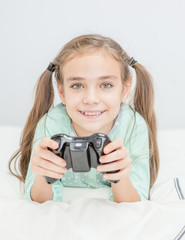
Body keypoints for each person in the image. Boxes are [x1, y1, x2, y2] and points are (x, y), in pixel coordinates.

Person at [9, 34, 159, 203]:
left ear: (125, 89)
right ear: (62, 93)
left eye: (106, 85)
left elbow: (134, 202)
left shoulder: (133, 125)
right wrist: (43, 175)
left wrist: (120, 177)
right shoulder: (51, 124)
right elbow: (38, 201)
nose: (91, 99)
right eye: (77, 86)